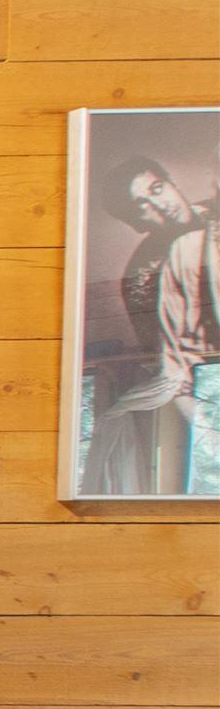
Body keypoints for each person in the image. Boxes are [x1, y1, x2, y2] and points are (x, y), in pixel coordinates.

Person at [85, 151, 216, 494]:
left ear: (171, 182)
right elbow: (166, 365)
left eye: (158, 189)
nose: (161, 206)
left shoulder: (214, 212)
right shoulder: (143, 278)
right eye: (143, 206)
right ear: (136, 224)